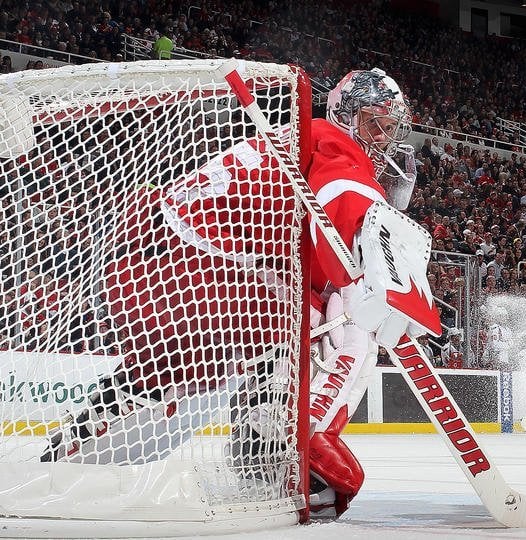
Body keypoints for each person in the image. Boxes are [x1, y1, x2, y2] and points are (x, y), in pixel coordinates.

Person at [41, 68, 441, 518]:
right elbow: (343, 211)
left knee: (170, 390)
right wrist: (388, 279)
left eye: (389, 128)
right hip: (201, 268)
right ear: (346, 117)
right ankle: (301, 441)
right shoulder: (334, 142)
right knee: (346, 318)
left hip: (168, 266)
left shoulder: (303, 138)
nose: (383, 138)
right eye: (375, 124)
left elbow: (308, 237)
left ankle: (71, 454)